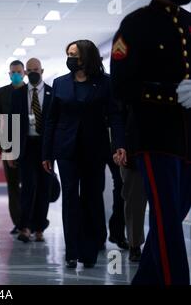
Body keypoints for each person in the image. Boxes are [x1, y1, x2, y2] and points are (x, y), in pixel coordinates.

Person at [111, 0, 191, 285]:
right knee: (168, 220)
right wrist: (168, 93)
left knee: (172, 214)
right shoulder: (136, 25)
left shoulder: (188, 22)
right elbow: (120, 86)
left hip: (186, 136)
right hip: (155, 135)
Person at [42, 40, 125, 269]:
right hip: (66, 150)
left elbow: (115, 116)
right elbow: (51, 120)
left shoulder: (105, 84)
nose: (71, 59)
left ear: (87, 57)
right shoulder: (60, 84)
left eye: (75, 55)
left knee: (91, 197)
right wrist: (46, 154)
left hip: (94, 149)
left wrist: (119, 144)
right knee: (70, 199)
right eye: (68, 54)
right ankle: (71, 251)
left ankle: (89, 251)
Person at [9, 58, 52, 243]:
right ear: (25, 72)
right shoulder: (18, 94)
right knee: (27, 187)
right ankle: (25, 227)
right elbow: (12, 124)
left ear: (42, 70)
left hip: (46, 147)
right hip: (27, 146)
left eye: (36, 69)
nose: (34, 72)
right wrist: (10, 151)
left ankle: (40, 228)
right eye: (30, 70)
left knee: (44, 188)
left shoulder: (52, 92)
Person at [0, 60, 23, 235]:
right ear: (9, 74)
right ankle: (18, 222)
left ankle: (30, 222)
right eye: (13, 72)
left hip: (29, 147)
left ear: (24, 73)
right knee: (13, 186)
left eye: (19, 71)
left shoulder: (30, 92)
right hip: (9, 145)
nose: (16, 74)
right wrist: (3, 147)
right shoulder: (2, 93)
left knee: (30, 186)